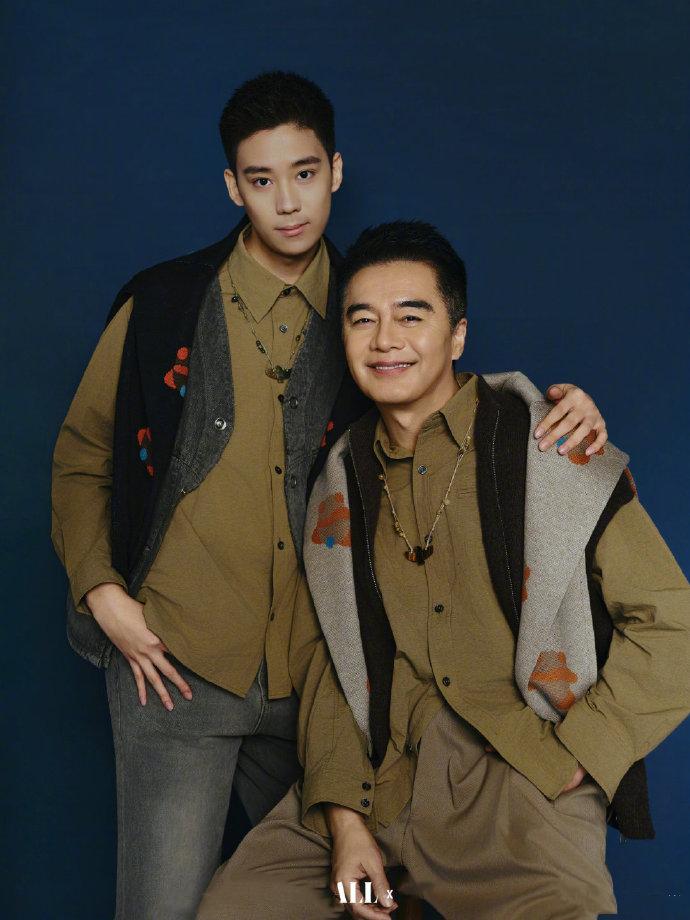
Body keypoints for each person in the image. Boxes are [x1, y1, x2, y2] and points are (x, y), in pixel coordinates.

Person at [51, 72, 608, 919]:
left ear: (336, 172)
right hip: (173, 665)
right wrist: (103, 593)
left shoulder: (367, 312)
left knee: (367, 897)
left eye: (305, 174)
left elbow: (444, 402)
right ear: (232, 187)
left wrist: (559, 408)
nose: (287, 202)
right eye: (262, 179)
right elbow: (83, 454)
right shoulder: (161, 304)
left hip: (329, 682)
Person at [198, 221, 690, 920]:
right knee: (237, 909)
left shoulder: (551, 444)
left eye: (411, 316)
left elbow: (674, 623)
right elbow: (329, 662)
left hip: (520, 777)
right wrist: (345, 822)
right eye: (362, 319)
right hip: (378, 783)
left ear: (457, 336)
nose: (385, 340)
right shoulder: (338, 479)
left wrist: (585, 751)